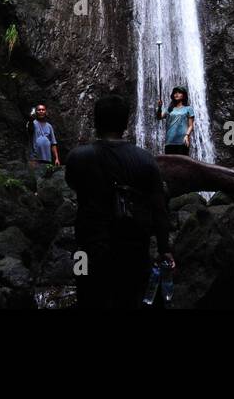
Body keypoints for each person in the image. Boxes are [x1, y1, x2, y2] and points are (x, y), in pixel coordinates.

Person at [65, 93, 174, 309]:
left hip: (88, 250)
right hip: (133, 249)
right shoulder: (146, 160)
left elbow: (73, 185)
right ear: (126, 123)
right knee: (131, 298)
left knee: (89, 298)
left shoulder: (77, 157)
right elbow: (159, 209)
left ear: (95, 122)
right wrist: (165, 250)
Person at [155, 86, 195, 156]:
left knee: (183, 163)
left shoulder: (188, 109)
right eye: (175, 93)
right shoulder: (169, 109)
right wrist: (159, 107)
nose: (176, 94)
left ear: (184, 95)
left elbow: (191, 126)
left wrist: (187, 135)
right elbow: (159, 117)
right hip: (169, 141)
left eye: (179, 92)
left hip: (182, 141)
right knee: (170, 164)